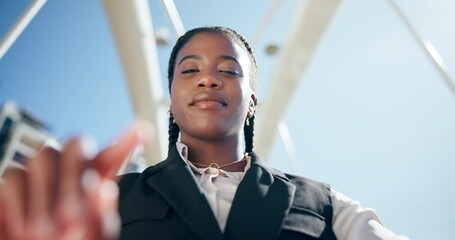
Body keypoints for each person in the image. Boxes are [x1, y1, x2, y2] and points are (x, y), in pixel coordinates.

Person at [0, 26, 409, 240]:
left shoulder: (327, 205)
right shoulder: (107, 198)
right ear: (172, 100)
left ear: (252, 101)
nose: (208, 80)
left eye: (228, 71)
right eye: (190, 70)